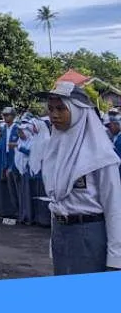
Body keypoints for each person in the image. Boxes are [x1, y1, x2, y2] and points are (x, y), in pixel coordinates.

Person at [38, 81, 121, 275]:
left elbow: (114, 207)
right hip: (61, 231)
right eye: (50, 109)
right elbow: (56, 200)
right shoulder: (54, 150)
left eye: (61, 108)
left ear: (77, 111)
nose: (54, 114)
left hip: (89, 234)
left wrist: (116, 258)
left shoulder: (100, 155)